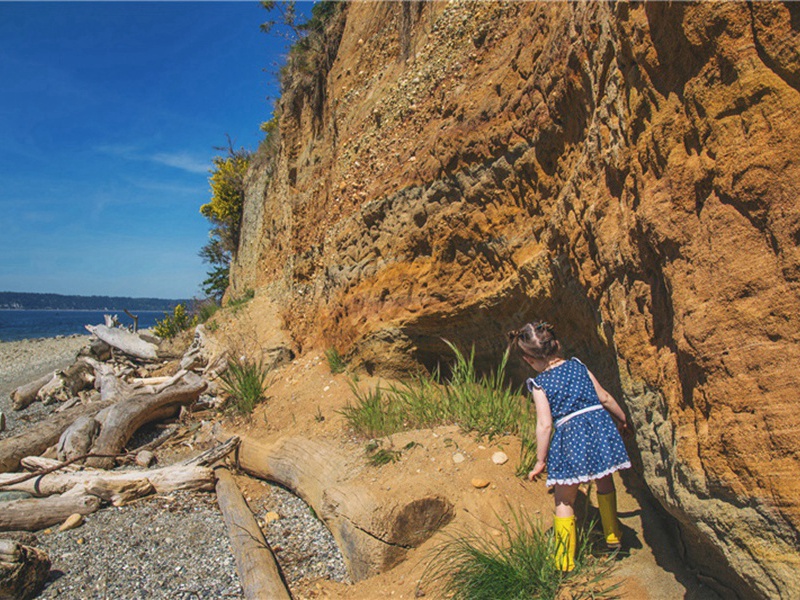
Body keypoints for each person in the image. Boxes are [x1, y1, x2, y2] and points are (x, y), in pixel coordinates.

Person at [508, 321, 632, 571]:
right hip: (598, 431)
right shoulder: (578, 366)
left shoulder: (540, 384)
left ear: (528, 359)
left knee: (564, 500)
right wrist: (621, 417)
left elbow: (544, 425)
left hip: (571, 439)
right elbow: (604, 397)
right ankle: (613, 536)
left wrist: (540, 460)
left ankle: (563, 561)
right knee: (605, 481)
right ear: (557, 344)